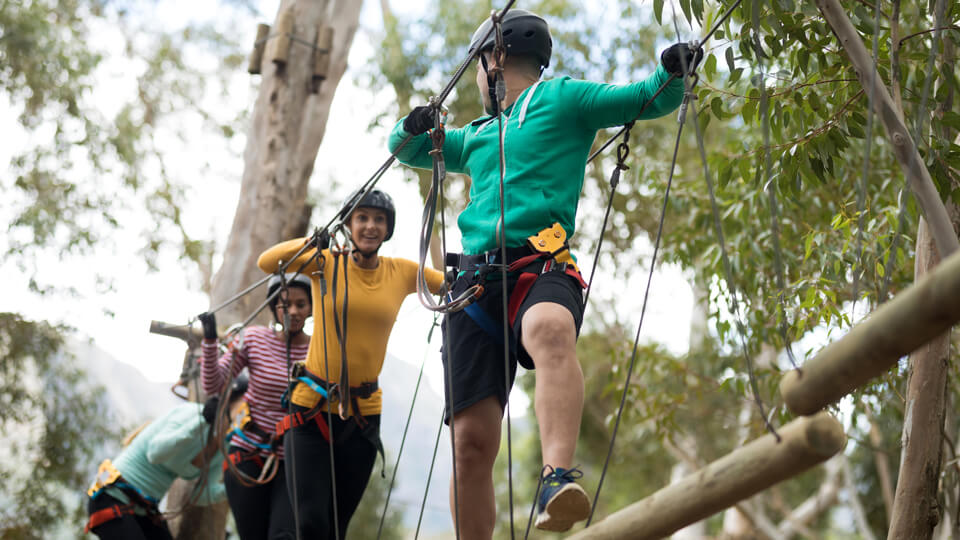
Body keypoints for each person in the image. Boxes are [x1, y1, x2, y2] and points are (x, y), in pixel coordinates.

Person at [388, 9, 700, 536]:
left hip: (541, 264)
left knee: (549, 329)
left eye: (482, 63)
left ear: (496, 57)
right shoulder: (477, 133)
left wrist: (674, 69)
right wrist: (412, 124)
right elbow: (407, 149)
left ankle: (557, 478)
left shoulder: (564, 98)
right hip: (474, 286)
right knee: (470, 444)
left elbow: (645, 97)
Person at [258, 189, 445, 539]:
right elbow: (268, 262)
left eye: (379, 219)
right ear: (347, 224)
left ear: (388, 228)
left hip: (362, 413)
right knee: (311, 522)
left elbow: (450, 284)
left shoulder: (401, 272)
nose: (370, 226)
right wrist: (313, 244)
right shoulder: (325, 263)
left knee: (336, 527)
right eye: (362, 218)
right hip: (310, 409)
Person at [196, 273, 311, 539]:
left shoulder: (320, 348)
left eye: (301, 304)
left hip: (294, 459)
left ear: (311, 308)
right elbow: (214, 385)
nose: (292, 311)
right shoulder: (253, 339)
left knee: (284, 536)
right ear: (273, 306)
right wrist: (211, 342)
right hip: (248, 452)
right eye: (284, 304)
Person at [85, 377, 247, 539]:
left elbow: (202, 494)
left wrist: (236, 485)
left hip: (143, 508)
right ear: (229, 400)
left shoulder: (223, 446)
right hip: (111, 496)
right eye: (247, 402)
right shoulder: (190, 413)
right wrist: (202, 423)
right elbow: (155, 453)